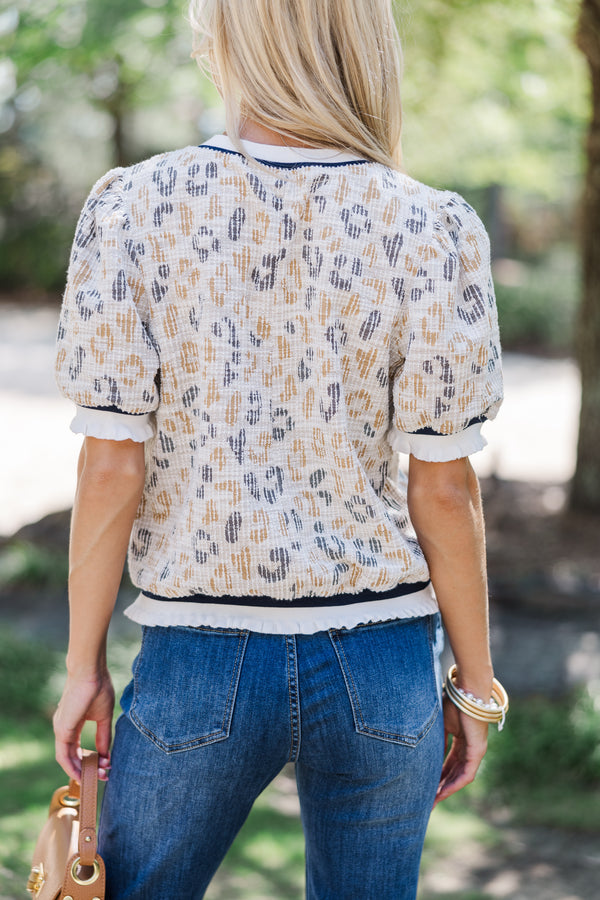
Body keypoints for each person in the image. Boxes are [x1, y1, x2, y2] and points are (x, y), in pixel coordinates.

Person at [52, 1, 507, 897]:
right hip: (382, 666)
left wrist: (83, 669)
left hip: (197, 659)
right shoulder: (432, 228)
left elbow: (111, 469)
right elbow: (445, 492)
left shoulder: (135, 208)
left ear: (228, 43)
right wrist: (475, 686)